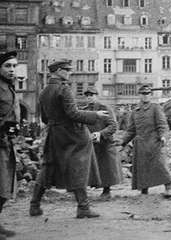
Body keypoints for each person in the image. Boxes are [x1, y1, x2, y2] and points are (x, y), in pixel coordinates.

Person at [29, 59, 110, 218]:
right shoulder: (64, 89)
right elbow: (73, 114)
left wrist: (57, 124)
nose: (69, 73)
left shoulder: (44, 92)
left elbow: (45, 119)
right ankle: (83, 208)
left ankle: (34, 205)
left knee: (47, 167)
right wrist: (95, 115)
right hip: (72, 135)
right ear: (59, 71)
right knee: (78, 167)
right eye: (67, 70)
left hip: (53, 134)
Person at [121, 85, 171, 198]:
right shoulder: (135, 112)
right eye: (143, 94)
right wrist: (122, 142)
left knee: (161, 165)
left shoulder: (155, 108)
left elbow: (162, 124)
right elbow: (131, 130)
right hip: (141, 144)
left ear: (150, 95)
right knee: (142, 167)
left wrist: (163, 136)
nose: (145, 96)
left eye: (148, 94)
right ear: (139, 95)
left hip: (155, 141)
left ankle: (168, 188)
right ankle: (144, 190)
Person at [85, 87, 123, 199]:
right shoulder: (85, 110)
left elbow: (113, 126)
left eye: (91, 95)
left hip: (105, 143)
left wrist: (100, 133)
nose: (89, 98)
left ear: (97, 96)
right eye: (87, 96)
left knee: (106, 168)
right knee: (92, 167)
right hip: (91, 143)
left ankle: (107, 191)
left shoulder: (105, 108)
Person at [0, 51, 19, 237]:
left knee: (4, 186)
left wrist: (13, 137)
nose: (12, 69)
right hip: (0, 142)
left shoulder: (9, 87)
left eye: (14, 66)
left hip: (7, 144)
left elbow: (12, 118)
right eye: (7, 66)